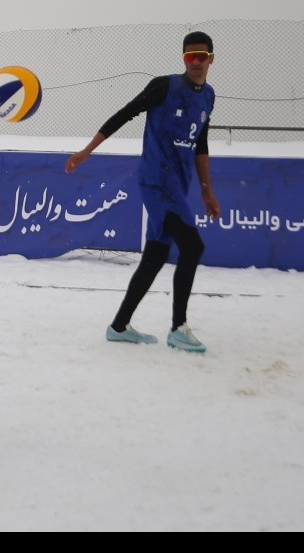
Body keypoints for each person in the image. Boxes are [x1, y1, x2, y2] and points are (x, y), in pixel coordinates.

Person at [64, 31, 221, 353]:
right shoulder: (164, 86)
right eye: (190, 56)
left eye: (201, 56)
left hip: (179, 185)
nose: (196, 62)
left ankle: (119, 326)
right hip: (156, 180)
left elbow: (200, 145)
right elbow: (125, 113)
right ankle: (178, 328)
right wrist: (87, 150)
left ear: (211, 59)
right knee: (192, 247)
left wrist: (207, 191)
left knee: (156, 255)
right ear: (183, 59)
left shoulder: (208, 96)